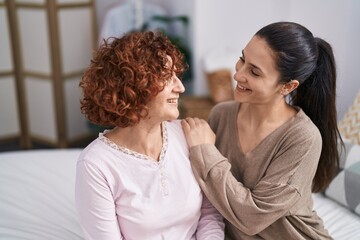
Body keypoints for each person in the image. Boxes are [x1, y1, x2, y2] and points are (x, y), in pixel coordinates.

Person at [181, 21, 344, 239]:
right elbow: (209, 192)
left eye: (254, 72)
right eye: (242, 59)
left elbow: (251, 217)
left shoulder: (302, 138)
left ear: (287, 86)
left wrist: (205, 151)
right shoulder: (221, 114)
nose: (237, 75)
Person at [75, 31, 224, 240]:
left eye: (177, 76)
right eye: (167, 77)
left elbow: (209, 214)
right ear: (135, 86)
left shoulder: (188, 133)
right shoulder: (96, 165)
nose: (180, 87)